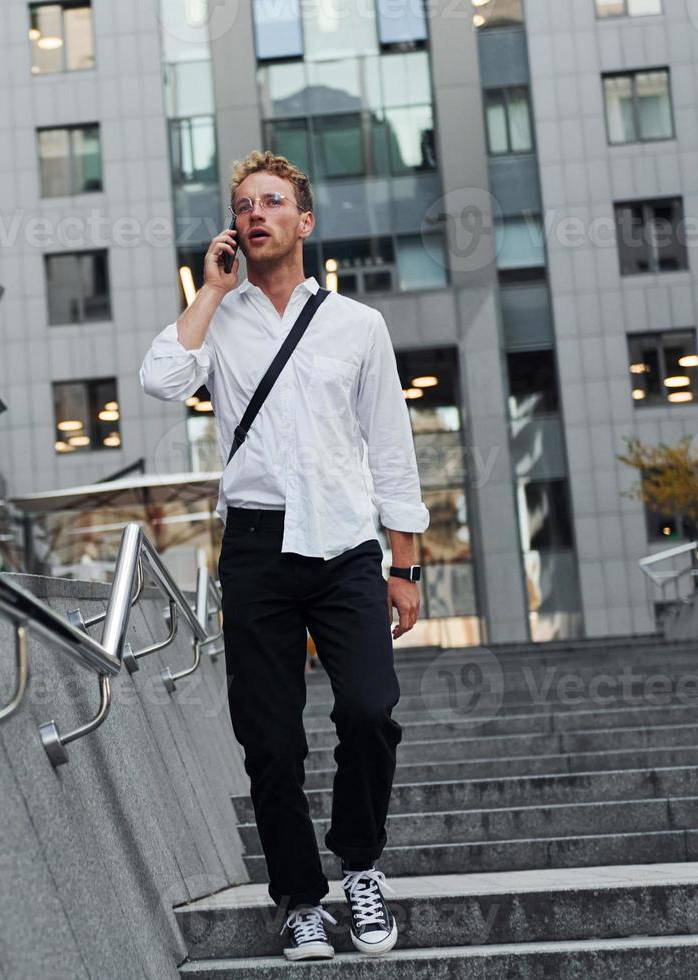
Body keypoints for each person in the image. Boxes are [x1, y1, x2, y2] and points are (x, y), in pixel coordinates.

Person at [139, 150, 429, 962]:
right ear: (233, 228)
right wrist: (209, 291)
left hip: (343, 546)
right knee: (269, 739)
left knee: (370, 710)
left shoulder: (356, 326)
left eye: (273, 202)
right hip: (258, 548)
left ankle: (361, 865)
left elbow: (391, 448)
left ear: (304, 221)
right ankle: (301, 897)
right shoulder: (217, 318)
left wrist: (403, 564)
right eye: (242, 205)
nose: (256, 213)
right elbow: (161, 380)